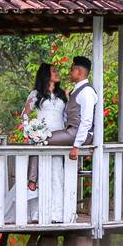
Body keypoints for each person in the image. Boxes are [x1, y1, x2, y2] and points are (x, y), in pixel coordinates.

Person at [27, 56, 97, 189]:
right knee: (38, 138)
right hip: (70, 132)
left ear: (79, 71)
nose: (68, 73)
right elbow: (67, 116)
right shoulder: (75, 91)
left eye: (71, 70)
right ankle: (34, 180)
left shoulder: (86, 92)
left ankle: (32, 180)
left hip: (76, 134)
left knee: (39, 139)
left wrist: (76, 146)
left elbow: (87, 121)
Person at [23, 63, 67, 191]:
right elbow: (25, 114)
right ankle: (33, 182)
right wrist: (30, 131)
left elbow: (65, 117)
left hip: (60, 137)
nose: (57, 73)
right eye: (54, 71)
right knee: (42, 169)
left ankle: (58, 207)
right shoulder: (36, 94)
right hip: (43, 137)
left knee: (57, 171)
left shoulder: (62, 94)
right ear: (46, 76)